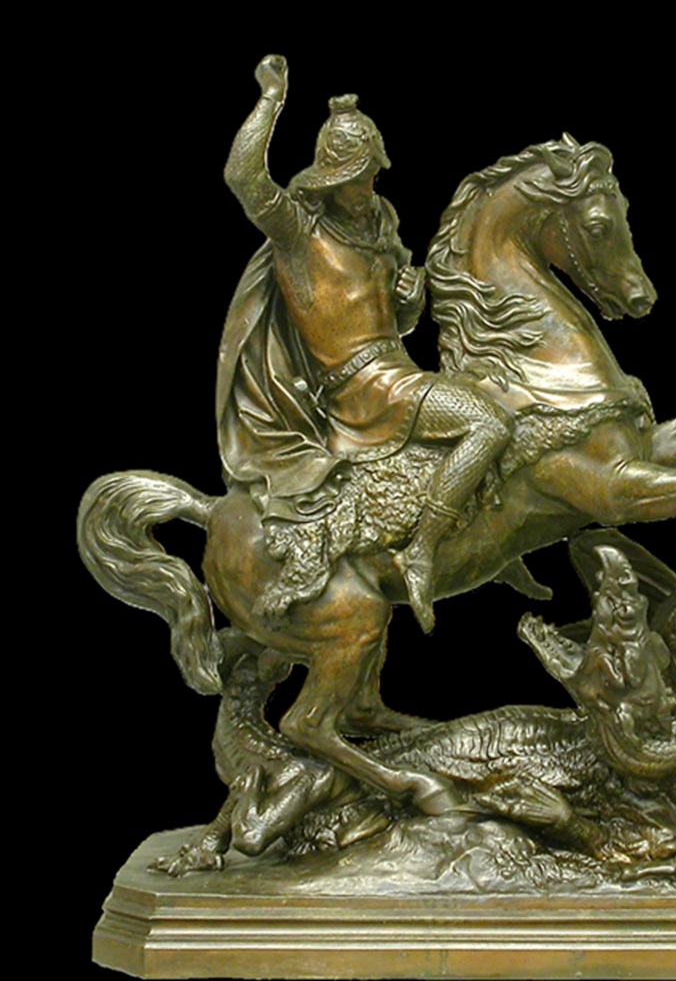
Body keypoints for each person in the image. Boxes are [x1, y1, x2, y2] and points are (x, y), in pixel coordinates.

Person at [219, 54, 513, 632]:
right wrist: (271, 99)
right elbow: (242, 178)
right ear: (331, 179)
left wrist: (410, 299)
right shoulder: (298, 230)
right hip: (364, 389)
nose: (368, 187)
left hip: (398, 370)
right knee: (490, 424)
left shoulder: (380, 220)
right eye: (357, 178)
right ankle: (421, 550)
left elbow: (392, 321)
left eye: (372, 175)